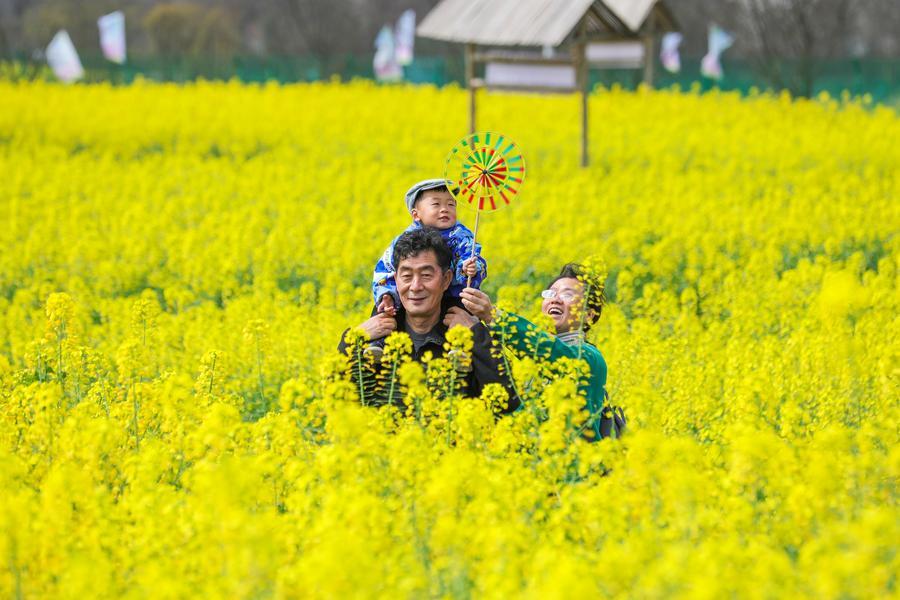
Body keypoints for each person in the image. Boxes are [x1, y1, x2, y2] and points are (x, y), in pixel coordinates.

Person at [339, 228, 517, 410]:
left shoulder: (467, 334)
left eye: (426, 275)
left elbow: (508, 402)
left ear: (446, 279)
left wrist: (477, 336)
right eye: (407, 276)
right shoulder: (376, 341)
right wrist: (352, 340)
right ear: (395, 280)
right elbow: (337, 399)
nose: (415, 286)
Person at [459, 263, 609, 438]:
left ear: (589, 315)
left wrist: (492, 316)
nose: (555, 299)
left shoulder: (590, 358)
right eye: (551, 293)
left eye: (567, 294)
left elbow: (551, 350)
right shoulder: (530, 363)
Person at [367, 179, 487, 356]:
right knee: (383, 310)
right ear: (416, 215)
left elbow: (473, 256)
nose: (445, 209)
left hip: (454, 294)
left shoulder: (462, 235)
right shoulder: (405, 240)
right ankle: (376, 344)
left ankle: (461, 349)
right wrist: (386, 294)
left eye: (451, 204)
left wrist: (469, 267)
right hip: (417, 298)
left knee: (464, 312)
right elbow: (385, 268)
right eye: (436, 204)